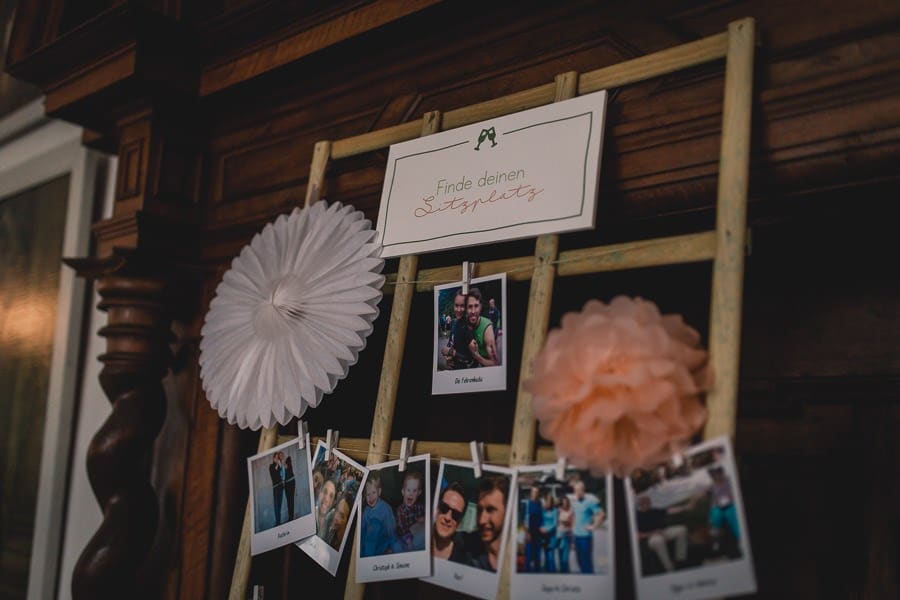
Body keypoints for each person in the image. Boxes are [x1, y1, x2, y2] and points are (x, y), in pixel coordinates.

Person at [635, 494, 689, 573]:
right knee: (658, 541)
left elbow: (670, 511)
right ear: (639, 503)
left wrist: (685, 507)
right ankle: (669, 568)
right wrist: (652, 533)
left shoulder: (654, 511)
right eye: (644, 501)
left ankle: (680, 560)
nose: (646, 503)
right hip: (651, 538)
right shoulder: (636, 516)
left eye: (648, 501)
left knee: (682, 530)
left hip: (663, 532)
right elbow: (637, 535)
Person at [470, 475, 509, 571]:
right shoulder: (466, 548)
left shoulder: (519, 562)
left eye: (490, 509)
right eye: (479, 510)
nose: (481, 520)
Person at [570, 480, 604, 574]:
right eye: (575, 490)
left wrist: (594, 526)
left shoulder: (590, 501)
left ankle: (589, 583)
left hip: (585, 537)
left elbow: (601, 514)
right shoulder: (574, 502)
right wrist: (572, 539)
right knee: (579, 562)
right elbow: (574, 518)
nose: (576, 493)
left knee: (586, 564)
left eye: (578, 490)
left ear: (583, 490)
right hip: (576, 537)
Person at [360, 474, 397, 557]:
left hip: (382, 547)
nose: (371, 497)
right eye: (368, 494)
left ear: (379, 492)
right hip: (369, 548)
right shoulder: (366, 511)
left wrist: (392, 548)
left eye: (373, 492)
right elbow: (362, 531)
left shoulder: (386, 509)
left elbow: (391, 531)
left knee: (376, 524)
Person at [432, 482, 469, 563]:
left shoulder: (463, 561)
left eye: (455, 514)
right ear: (437, 508)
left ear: (459, 522)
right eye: (444, 508)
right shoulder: (418, 543)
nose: (448, 517)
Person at [707, 466, 740, 554]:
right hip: (717, 507)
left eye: (717, 474)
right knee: (715, 520)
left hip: (730, 505)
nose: (715, 477)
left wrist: (731, 499)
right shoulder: (712, 485)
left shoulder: (729, 481)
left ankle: (740, 541)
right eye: (713, 475)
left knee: (733, 519)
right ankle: (716, 542)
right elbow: (712, 500)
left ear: (721, 473)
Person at [441, 290, 476, 370]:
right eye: (456, 305)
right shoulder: (454, 322)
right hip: (453, 369)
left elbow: (471, 360)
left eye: (462, 306)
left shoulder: (468, 327)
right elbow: (450, 343)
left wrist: (451, 352)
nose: (459, 309)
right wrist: (447, 357)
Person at [465, 287, 498, 367]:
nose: (473, 311)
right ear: (466, 308)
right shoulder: (464, 323)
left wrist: (477, 356)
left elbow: (494, 363)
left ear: (480, 307)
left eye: (476, 306)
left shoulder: (487, 329)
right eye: (470, 307)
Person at [394, 470, 426, 552]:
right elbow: (402, 529)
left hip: (416, 534)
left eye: (414, 490)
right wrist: (409, 541)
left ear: (419, 493)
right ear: (403, 492)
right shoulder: (401, 510)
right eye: (408, 490)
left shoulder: (420, 507)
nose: (411, 494)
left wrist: (424, 519)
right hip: (404, 537)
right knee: (397, 546)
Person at [523, 485, 543, 572]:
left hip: (538, 533)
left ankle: (537, 573)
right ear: (531, 493)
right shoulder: (527, 503)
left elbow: (541, 517)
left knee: (537, 556)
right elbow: (524, 519)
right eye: (534, 492)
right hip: (529, 533)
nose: (535, 494)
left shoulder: (540, 503)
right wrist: (527, 533)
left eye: (537, 492)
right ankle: (527, 573)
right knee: (528, 555)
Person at [540, 493, 558, 572]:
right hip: (543, 536)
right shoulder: (542, 510)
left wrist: (546, 530)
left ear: (552, 502)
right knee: (545, 554)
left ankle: (552, 572)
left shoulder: (555, 511)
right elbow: (540, 521)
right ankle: (546, 572)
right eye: (547, 501)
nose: (548, 503)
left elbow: (555, 524)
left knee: (551, 555)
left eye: (550, 501)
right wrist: (541, 528)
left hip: (551, 536)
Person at [556, 495, 574, 573]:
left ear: (568, 503)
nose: (565, 504)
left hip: (567, 535)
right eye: (563, 503)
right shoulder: (558, 510)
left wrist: (563, 521)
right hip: (559, 535)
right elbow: (556, 522)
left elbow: (571, 523)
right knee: (560, 557)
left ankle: (566, 572)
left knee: (565, 558)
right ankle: (562, 572)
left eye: (566, 502)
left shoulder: (571, 511)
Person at [268, 453, 285, 526]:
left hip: (280, 487)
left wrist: (280, 465)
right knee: (276, 506)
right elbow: (274, 473)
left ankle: (279, 521)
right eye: (276, 458)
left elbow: (282, 474)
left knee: (279, 505)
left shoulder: (280, 466)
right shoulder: (271, 466)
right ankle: (277, 522)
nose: (277, 459)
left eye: (278, 458)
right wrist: (278, 465)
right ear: (273, 459)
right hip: (275, 488)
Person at [281, 452, 296, 522]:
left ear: (283, 455)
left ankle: (291, 517)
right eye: (279, 456)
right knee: (288, 501)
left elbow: (287, 467)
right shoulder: (280, 465)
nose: (280, 457)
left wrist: (282, 462)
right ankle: (290, 517)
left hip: (291, 482)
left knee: (291, 500)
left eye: (281, 455)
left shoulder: (288, 459)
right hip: (286, 484)